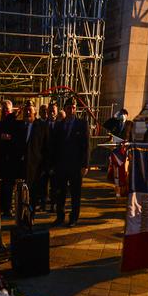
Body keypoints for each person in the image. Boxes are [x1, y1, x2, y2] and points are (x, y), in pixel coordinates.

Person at [50, 97, 89, 227]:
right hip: (61, 165)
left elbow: (86, 146)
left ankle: (73, 218)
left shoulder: (82, 124)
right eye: (68, 107)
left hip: (75, 166)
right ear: (65, 109)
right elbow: (54, 146)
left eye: (73, 107)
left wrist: (85, 165)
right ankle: (60, 216)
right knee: (60, 193)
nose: (71, 110)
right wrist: (53, 165)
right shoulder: (59, 125)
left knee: (75, 193)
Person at [0, 100, 19, 216]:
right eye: (3, 109)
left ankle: (8, 208)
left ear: (11, 111)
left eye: (7, 109)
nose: (5, 111)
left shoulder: (16, 125)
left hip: (10, 162)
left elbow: (18, 142)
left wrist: (10, 138)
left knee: (9, 187)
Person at [21, 101, 50, 212]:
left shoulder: (41, 127)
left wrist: (45, 166)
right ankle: (21, 217)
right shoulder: (19, 126)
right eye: (26, 110)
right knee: (21, 195)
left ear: (35, 112)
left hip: (35, 168)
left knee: (32, 195)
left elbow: (47, 148)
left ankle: (30, 217)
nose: (27, 112)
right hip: (21, 167)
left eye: (30, 110)